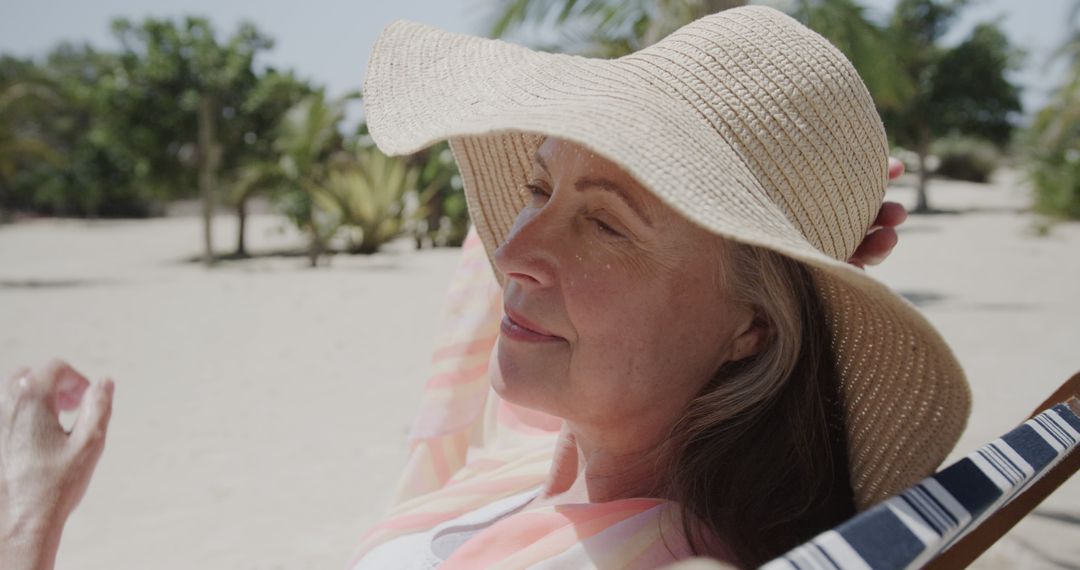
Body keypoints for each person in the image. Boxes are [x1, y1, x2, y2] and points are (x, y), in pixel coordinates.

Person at [0, 6, 967, 570]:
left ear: (752, 329)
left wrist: (28, 526)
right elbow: (501, 263)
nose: (517, 249)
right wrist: (811, 264)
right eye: (538, 185)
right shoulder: (552, 443)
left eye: (606, 222)